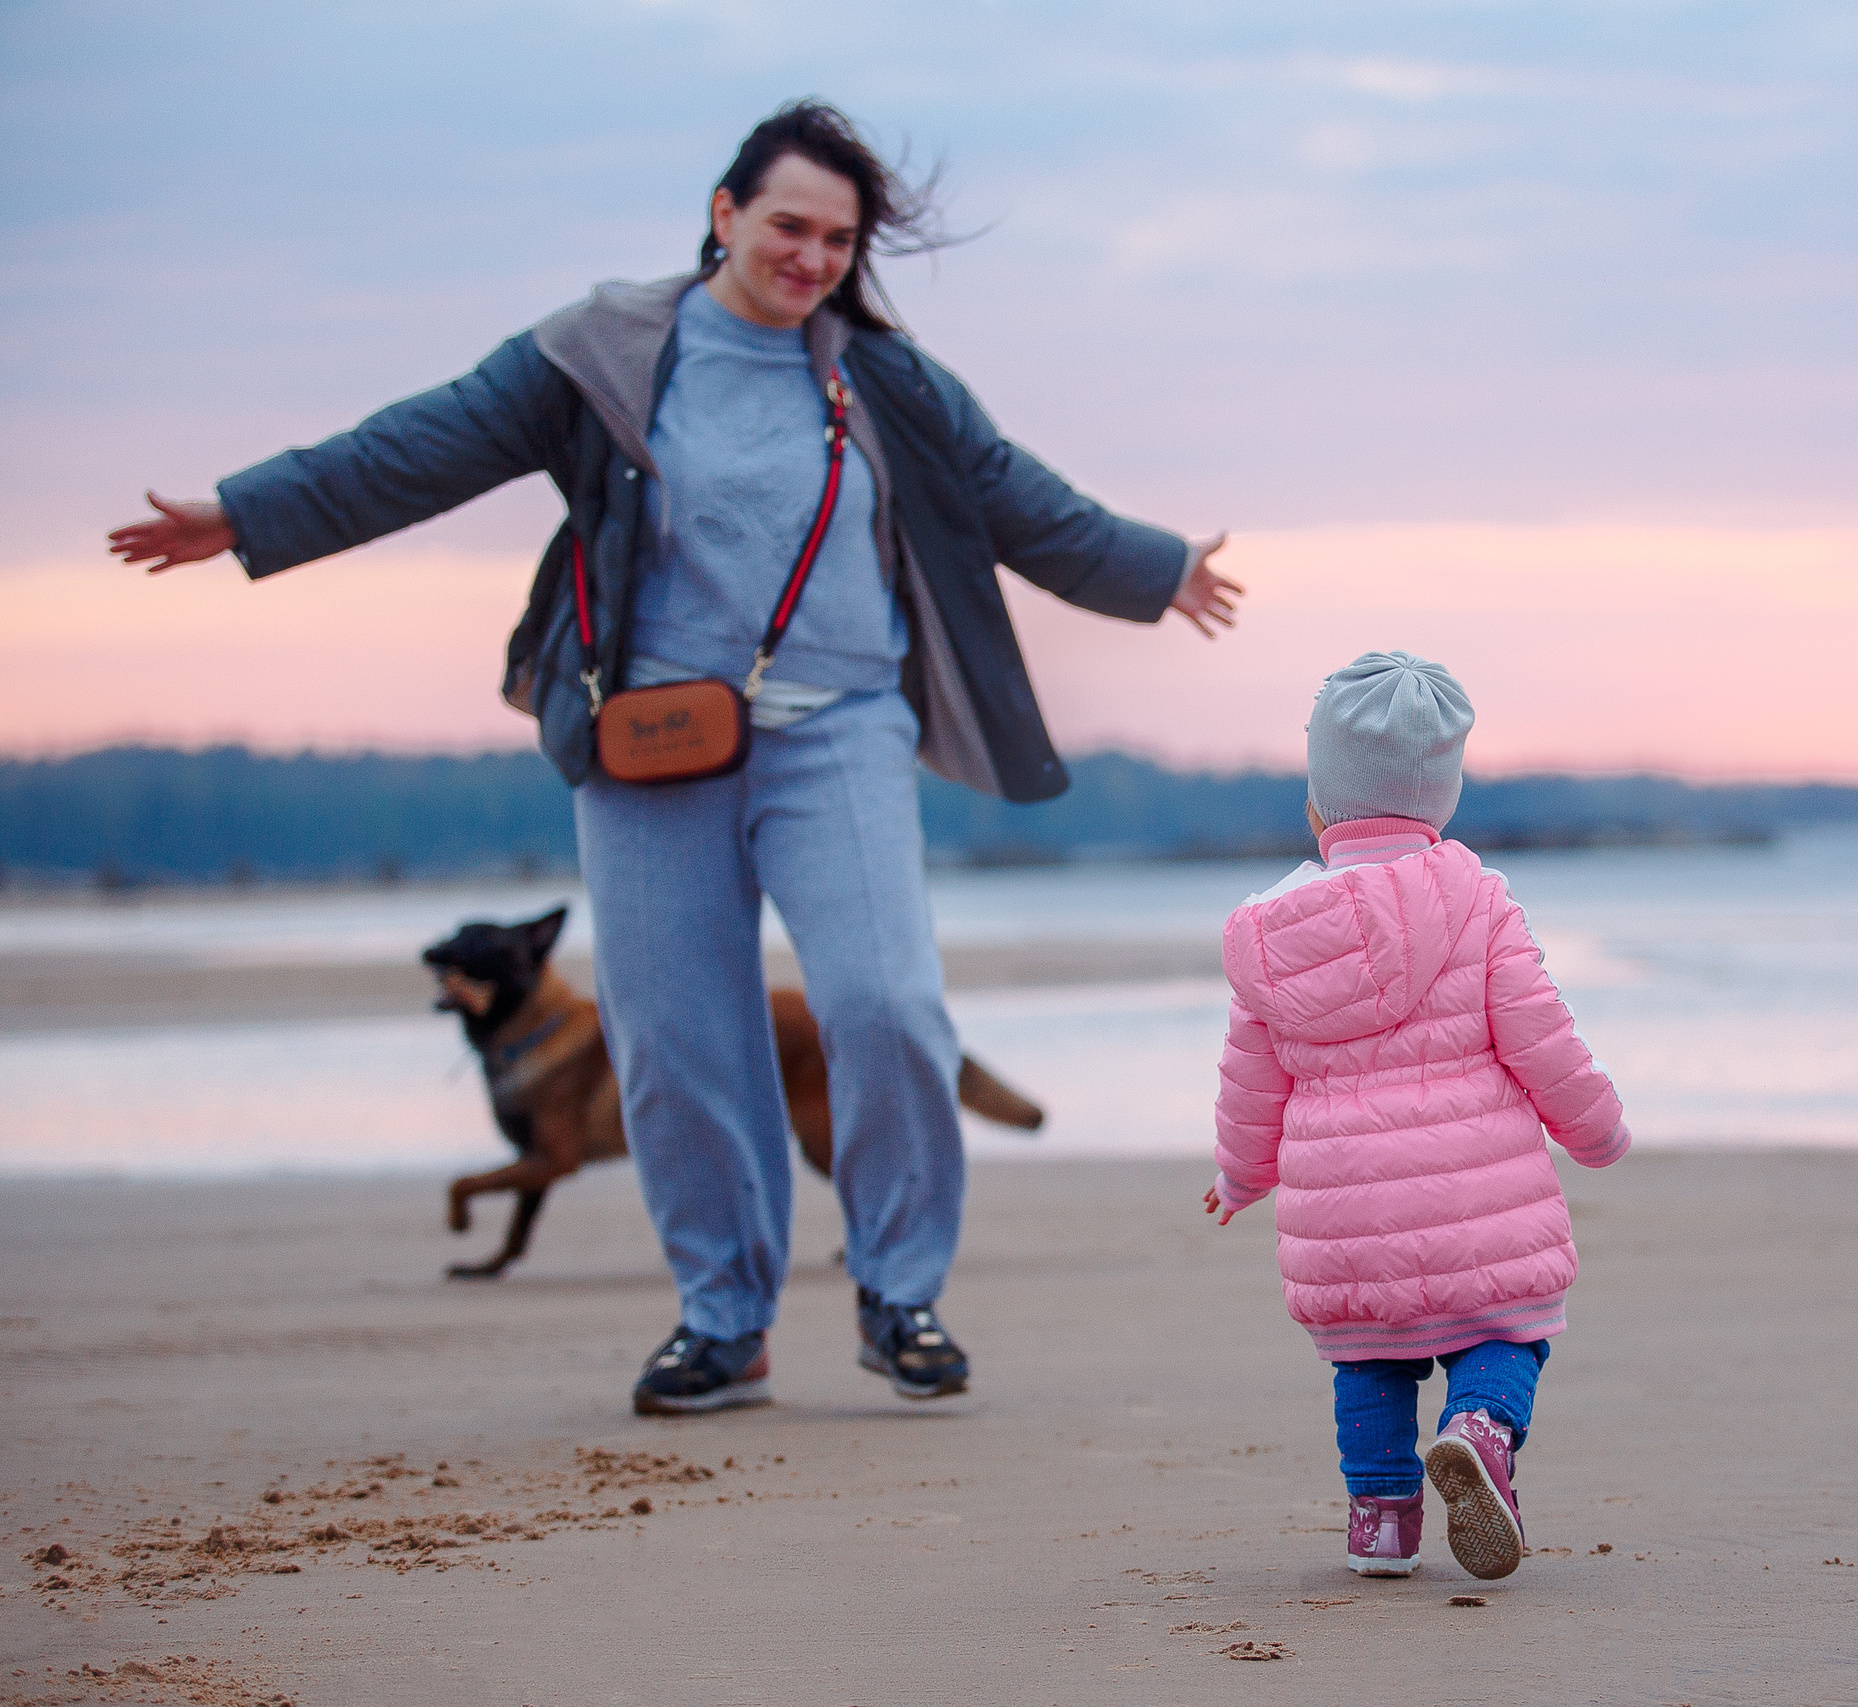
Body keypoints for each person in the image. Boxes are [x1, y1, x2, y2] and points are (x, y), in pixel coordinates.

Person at [109, 99, 1244, 1416]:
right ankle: (723, 1317)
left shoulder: (884, 378)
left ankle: (898, 1290)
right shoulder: (603, 352)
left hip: (843, 729)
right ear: (724, 214)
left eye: (837, 237)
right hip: (651, 739)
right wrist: (247, 513)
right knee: (673, 1041)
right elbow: (425, 442)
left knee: (885, 1005)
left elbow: (1012, 492)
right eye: (788, 225)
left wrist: (1158, 569)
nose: (812, 256)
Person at [1202, 651, 1629, 1581]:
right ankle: (1479, 1426)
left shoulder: (1272, 937)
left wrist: (1241, 1177)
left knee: (1369, 1360)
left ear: (1318, 809)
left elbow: (1251, 1081)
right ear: (1443, 800)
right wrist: (1594, 1129)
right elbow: (1540, 1033)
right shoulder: (1477, 899)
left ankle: (1381, 1525)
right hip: (1480, 1205)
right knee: (1510, 1327)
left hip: (1342, 1219)